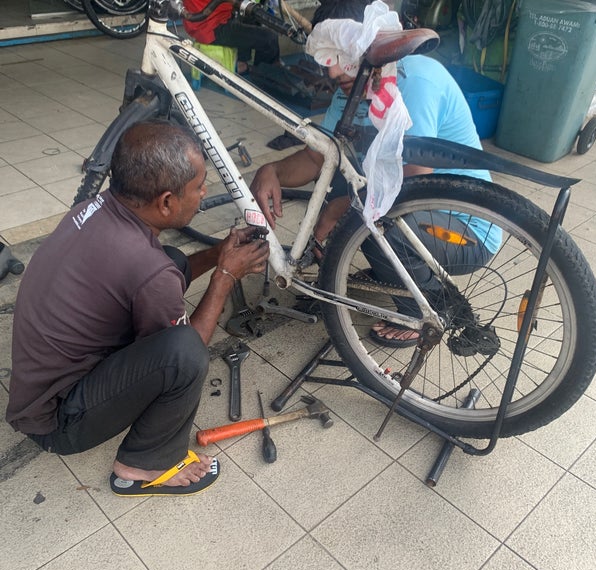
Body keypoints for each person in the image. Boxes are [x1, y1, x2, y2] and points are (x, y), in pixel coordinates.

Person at [6, 120, 269, 497]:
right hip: (57, 422)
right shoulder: (148, 270)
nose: (203, 192)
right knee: (185, 353)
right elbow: (188, 346)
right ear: (166, 202)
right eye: (198, 186)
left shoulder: (96, 207)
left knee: (173, 259)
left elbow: (156, 273)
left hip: (42, 389)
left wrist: (217, 254)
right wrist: (225, 276)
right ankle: (143, 464)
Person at [250, 0, 500, 347]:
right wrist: (272, 170)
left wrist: (339, 209)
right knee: (346, 177)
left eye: (342, 56)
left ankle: (420, 314)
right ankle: (396, 271)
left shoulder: (416, 81)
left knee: (368, 215)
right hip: (423, 216)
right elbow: (317, 157)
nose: (334, 73)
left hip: (466, 231)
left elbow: (414, 185)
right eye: (327, 59)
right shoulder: (351, 86)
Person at [183, 0, 281, 75]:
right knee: (269, 38)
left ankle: (241, 64)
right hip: (211, 27)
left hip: (220, 18)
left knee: (253, 15)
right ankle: (264, 82)